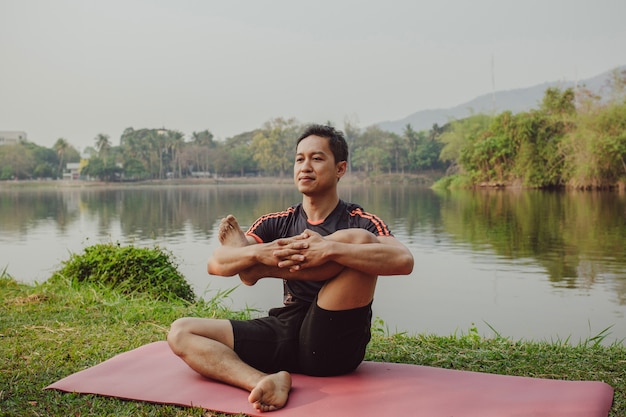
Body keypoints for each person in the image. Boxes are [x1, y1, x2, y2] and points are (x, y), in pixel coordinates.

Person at [167, 124, 414, 412]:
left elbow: (403, 261)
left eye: (317, 159)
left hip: (332, 341)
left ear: (340, 168)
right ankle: (264, 381)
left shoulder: (360, 219)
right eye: (300, 159)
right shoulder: (278, 221)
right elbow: (217, 264)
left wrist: (331, 248)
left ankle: (259, 269)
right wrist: (263, 251)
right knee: (181, 332)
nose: (305, 167)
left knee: (359, 240)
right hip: (286, 326)